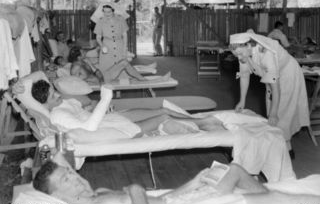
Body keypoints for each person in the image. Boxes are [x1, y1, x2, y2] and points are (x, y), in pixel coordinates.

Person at [32, 153, 320, 204]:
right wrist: (134, 190)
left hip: (180, 199)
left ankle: (270, 198)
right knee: (279, 199)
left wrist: (191, 183)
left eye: (71, 172)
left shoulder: (96, 193)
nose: (77, 178)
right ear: (58, 198)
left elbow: (162, 199)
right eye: (67, 180)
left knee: (233, 170)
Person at [29, 75, 223, 143]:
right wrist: (105, 99)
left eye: (55, 92)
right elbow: (88, 129)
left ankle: (200, 120)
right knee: (163, 115)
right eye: (53, 96)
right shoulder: (58, 115)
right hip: (114, 128)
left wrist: (101, 107)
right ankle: (204, 122)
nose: (58, 95)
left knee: (163, 111)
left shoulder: (62, 104)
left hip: (112, 118)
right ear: (45, 102)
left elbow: (87, 107)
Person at [230, 31, 310, 153]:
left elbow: (275, 89)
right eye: (237, 56)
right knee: (271, 108)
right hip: (273, 77)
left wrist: (274, 113)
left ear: (249, 45)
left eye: (240, 54)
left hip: (288, 74)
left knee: (281, 112)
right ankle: (283, 148)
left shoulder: (266, 52)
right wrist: (242, 101)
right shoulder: (243, 54)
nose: (239, 58)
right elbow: (244, 76)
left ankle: (285, 150)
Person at [68, 47, 169, 85]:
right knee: (125, 65)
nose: (85, 53)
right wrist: (99, 82)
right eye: (82, 52)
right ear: (78, 56)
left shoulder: (85, 61)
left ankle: (154, 80)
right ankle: (148, 80)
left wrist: (100, 77)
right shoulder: (75, 67)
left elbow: (96, 71)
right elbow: (75, 81)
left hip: (103, 76)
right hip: (102, 80)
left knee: (130, 78)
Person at [94, 3, 129, 77]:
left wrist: (124, 49)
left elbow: (125, 35)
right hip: (107, 46)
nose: (107, 14)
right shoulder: (100, 21)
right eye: (105, 11)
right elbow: (98, 37)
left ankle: (122, 86)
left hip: (119, 45)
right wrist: (102, 45)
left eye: (109, 12)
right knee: (106, 69)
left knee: (121, 67)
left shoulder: (121, 19)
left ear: (113, 11)